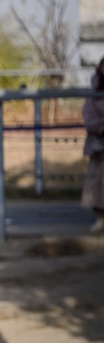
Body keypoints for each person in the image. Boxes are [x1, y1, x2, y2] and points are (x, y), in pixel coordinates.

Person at [82, 56, 104, 233]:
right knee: (98, 182)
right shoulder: (94, 90)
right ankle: (101, 218)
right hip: (100, 145)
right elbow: (89, 117)